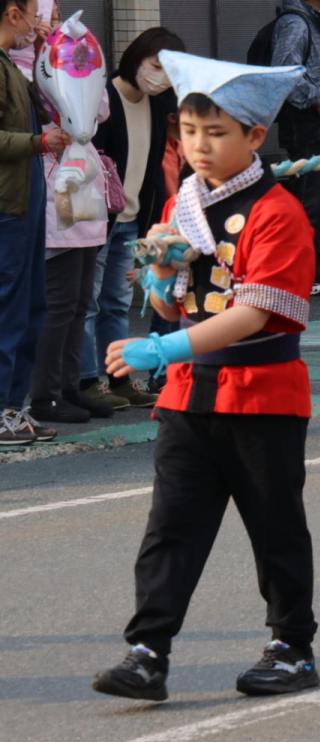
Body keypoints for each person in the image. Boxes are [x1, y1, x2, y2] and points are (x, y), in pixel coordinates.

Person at [92, 50, 320, 702]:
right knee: (171, 527)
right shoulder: (182, 205)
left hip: (263, 396)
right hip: (191, 395)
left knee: (275, 526)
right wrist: (160, 281)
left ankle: (292, 645)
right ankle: (148, 651)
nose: (199, 146)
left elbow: (252, 314)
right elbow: (172, 302)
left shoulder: (279, 214)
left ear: (254, 137)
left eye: (216, 133)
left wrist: (161, 347)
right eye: (189, 132)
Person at [80, 27, 184, 416]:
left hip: (132, 218)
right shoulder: (103, 96)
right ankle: (88, 380)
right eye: (155, 66)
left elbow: (155, 169)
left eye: (168, 72)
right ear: (136, 57)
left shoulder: (158, 104)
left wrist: (147, 230)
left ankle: (120, 377)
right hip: (96, 220)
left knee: (116, 303)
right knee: (88, 302)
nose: (160, 77)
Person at [1, 0, 70, 446]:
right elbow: (27, 133)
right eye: (36, 13)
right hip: (7, 206)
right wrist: (38, 142)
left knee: (30, 309)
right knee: (8, 309)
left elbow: (49, 108)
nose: (39, 22)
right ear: (13, 13)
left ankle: (12, 409)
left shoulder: (11, 65)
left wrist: (50, 57)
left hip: (24, 204)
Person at [29, 91, 112, 425]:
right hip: (55, 187)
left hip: (85, 187)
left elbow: (98, 111)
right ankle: (44, 396)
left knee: (80, 301)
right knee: (59, 305)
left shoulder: (72, 60)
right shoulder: (23, 68)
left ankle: (69, 385)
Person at [272, 0, 320, 297]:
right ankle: (297, 271)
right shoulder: (295, 22)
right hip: (306, 124)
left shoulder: (308, 19)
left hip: (318, 126)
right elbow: (283, 71)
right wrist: (317, 98)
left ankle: (312, 267)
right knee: (309, 201)